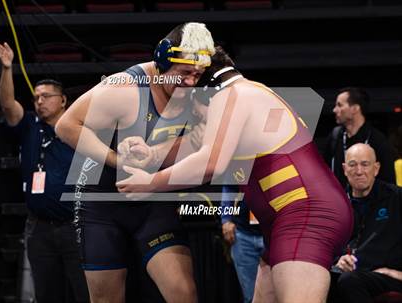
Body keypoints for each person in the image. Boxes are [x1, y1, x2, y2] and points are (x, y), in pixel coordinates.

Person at [116, 46, 354, 303]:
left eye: (191, 102)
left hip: (306, 216)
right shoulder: (242, 96)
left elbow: (209, 164)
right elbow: (194, 146)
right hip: (290, 219)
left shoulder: (236, 96)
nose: (193, 114)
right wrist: (151, 154)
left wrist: (152, 183)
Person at [55, 23, 216, 303]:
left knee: (184, 293)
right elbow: (66, 126)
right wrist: (115, 159)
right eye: (185, 73)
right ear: (162, 62)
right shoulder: (123, 88)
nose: (191, 82)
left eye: (197, 74)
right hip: (101, 204)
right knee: (107, 299)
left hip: (151, 201)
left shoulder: (195, 95)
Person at [0, 42, 89, 303]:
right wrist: (6, 68)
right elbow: (7, 105)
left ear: (63, 100)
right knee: (47, 294)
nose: (40, 101)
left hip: (75, 226)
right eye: (36, 97)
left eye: (46, 96)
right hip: (39, 228)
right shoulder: (29, 126)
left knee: (85, 292)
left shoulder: (79, 129)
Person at [331, 143, 402, 303]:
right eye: (352, 165)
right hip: (350, 274)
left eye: (365, 164)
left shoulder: (396, 198)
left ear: (376, 168)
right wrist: (337, 261)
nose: (359, 171)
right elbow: (326, 247)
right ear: (344, 169)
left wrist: (399, 274)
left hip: (387, 276)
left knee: (349, 281)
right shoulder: (336, 205)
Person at [323, 87, 395, 188]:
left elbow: (388, 184)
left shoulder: (377, 140)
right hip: (340, 202)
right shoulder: (335, 137)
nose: (334, 110)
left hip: (369, 203)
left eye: (339, 105)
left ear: (355, 109)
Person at [221, 186, 264, 303]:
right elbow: (229, 187)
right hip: (243, 234)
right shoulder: (241, 167)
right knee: (250, 296)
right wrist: (226, 219)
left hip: (274, 234)